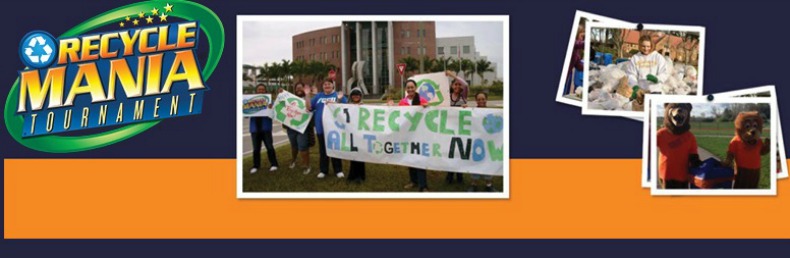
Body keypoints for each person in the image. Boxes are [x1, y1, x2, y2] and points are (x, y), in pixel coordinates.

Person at [309, 79, 347, 179]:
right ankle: (323, 170)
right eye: (325, 84)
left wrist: (340, 99)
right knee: (323, 150)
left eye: (329, 84)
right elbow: (309, 108)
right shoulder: (318, 96)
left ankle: (338, 170)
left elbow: (348, 107)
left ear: (332, 85)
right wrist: (307, 95)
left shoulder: (337, 96)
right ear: (322, 86)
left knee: (335, 149)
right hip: (321, 128)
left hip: (334, 128)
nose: (326, 86)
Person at [399, 79, 430, 192]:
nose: (410, 89)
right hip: (408, 135)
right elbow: (397, 116)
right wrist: (390, 107)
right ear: (406, 89)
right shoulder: (402, 102)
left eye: (412, 87)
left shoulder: (422, 100)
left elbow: (430, 114)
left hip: (420, 135)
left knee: (420, 159)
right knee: (410, 158)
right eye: (408, 87)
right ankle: (413, 181)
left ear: (415, 88)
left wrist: (428, 107)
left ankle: (423, 185)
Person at [467, 92, 497, 192]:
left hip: (488, 142)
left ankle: (489, 184)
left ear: (486, 99)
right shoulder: (473, 112)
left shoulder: (492, 112)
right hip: (476, 143)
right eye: (479, 99)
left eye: (483, 99)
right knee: (475, 162)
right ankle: (474, 184)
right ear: (476, 100)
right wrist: (463, 109)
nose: (481, 101)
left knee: (488, 162)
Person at [249, 84, 279, 173]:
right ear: (256, 91)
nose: (261, 91)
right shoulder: (251, 102)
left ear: (265, 91)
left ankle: (274, 164)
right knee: (256, 149)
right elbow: (246, 116)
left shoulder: (270, 102)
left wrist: (271, 109)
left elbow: (274, 115)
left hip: (266, 128)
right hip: (254, 129)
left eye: (263, 89)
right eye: (259, 89)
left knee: (270, 147)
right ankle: (256, 166)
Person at [284, 82, 312, 175]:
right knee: (294, 146)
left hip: (302, 128)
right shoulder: (290, 99)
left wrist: (308, 95)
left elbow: (310, 107)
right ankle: (293, 160)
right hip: (291, 127)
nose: (299, 89)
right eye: (297, 88)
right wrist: (281, 93)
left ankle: (307, 166)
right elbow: (282, 106)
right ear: (294, 90)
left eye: (301, 88)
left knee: (303, 147)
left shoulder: (308, 99)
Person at [445, 70, 467, 184]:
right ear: (452, 86)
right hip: (449, 129)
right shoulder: (447, 97)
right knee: (450, 153)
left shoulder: (464, 96)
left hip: (460, 129)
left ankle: (459, 175)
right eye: (455, 84)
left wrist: (452, 75)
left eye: (459, 84)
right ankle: (449, 175)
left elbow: (466, 84)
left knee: (459, 152)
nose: (457, 86)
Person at [346, 88, 367, 183]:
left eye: (358, 94)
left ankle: (361, 175)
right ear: (351, 96)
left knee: (360, 154)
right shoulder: (347, 107)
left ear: (361, 96)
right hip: (350, 133)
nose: (356, 96)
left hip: (361, 134)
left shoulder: (365, 107)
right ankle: (352, 174)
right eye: (354, 94)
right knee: (352, 154)